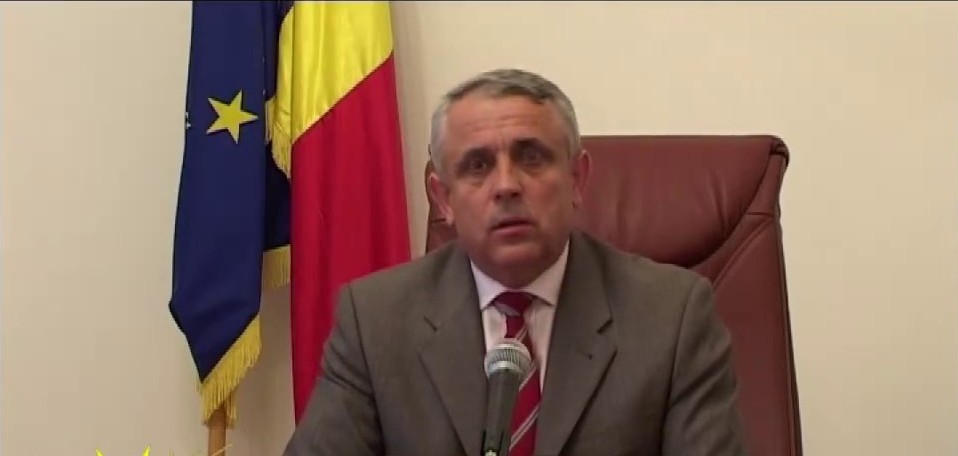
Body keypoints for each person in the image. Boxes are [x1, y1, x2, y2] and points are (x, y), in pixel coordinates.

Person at [283, 68, 747, 456]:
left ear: (577, 179)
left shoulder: (671, 316)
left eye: (531, 158)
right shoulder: (376, 321)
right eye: (477, 165)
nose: (506, 185)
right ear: (443, 199)